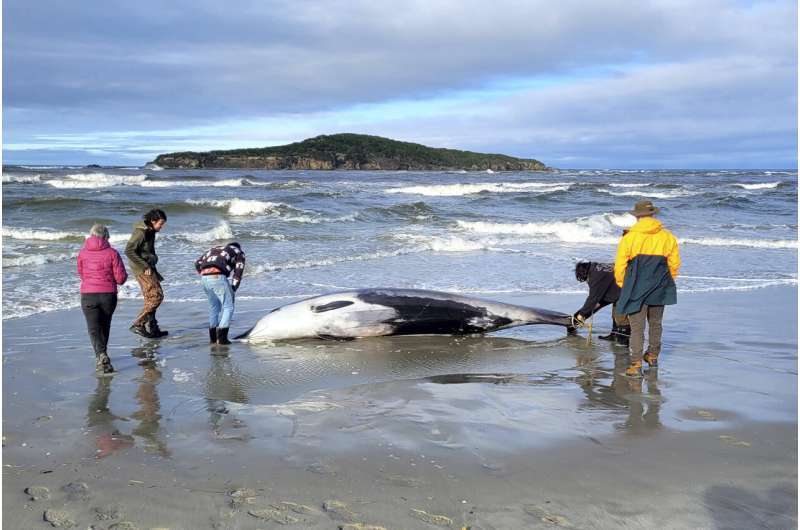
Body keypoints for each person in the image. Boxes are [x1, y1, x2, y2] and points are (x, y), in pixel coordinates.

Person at [614, 200, 681, 377]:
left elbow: (619, 265)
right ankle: (652, 356)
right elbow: (674, 264)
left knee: (637, 327)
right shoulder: (668, 236)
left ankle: (636, 364)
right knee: (656, 323)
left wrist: (623, 284)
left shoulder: (629, 237)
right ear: (653, 215)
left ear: (637, 217)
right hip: (660, 285)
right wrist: (667, 281)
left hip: (636, 286)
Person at [77, 224, 128, 374]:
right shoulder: (112, 253)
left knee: (93, 328)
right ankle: (102, 355)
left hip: (88, 295)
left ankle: (101, 355)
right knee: (105, 326)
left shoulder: (82, 253)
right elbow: (120, 278)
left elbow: (81, 273)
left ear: (91, 236)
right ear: (106, 237)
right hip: (108, 295)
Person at [126, 209, 168, 338]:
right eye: (160, 224)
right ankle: (138, 324)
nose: (162, 227)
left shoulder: (151, 231)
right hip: (142, 269)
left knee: (151, 298)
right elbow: (128, 250)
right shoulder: (141, 232)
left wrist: (152, 261)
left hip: (149, 267)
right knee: (156, 297)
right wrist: (144, 266)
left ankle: (153, 327)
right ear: (152, 221)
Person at [195, 242, 246, 345]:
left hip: (204, 278)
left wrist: (204, 273)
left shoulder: (214, 249)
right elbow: (238, 272)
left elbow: (197, 262)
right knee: (228, 307)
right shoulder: (239, 252)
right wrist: (233, 288)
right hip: (217, 276)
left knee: (214, 307)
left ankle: (213, 339)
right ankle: (222, 339)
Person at [573, 261, 631, 345]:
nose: (587, 281)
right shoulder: (596, 267)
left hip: (626, 288)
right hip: (619, 286)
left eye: (585, 279)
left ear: (585, 273)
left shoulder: (595, 277)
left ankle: (624, 341)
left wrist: (581, 314)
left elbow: (593, 298)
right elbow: (598, 298)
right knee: (615, 315)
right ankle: (614, 335)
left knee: (620, 317)